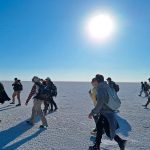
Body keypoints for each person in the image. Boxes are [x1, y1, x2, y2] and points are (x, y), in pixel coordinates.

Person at [89, 74, 126, 150]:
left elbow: (100, 103)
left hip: (106, 112)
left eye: (95, 80)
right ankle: (97, 146)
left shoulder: (101, 88)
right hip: (107, 112)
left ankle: (120, 142)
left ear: (97, 80)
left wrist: (92, 112)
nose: (94, 82)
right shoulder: (106, 86)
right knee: (101, 128)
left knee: (105, 130)